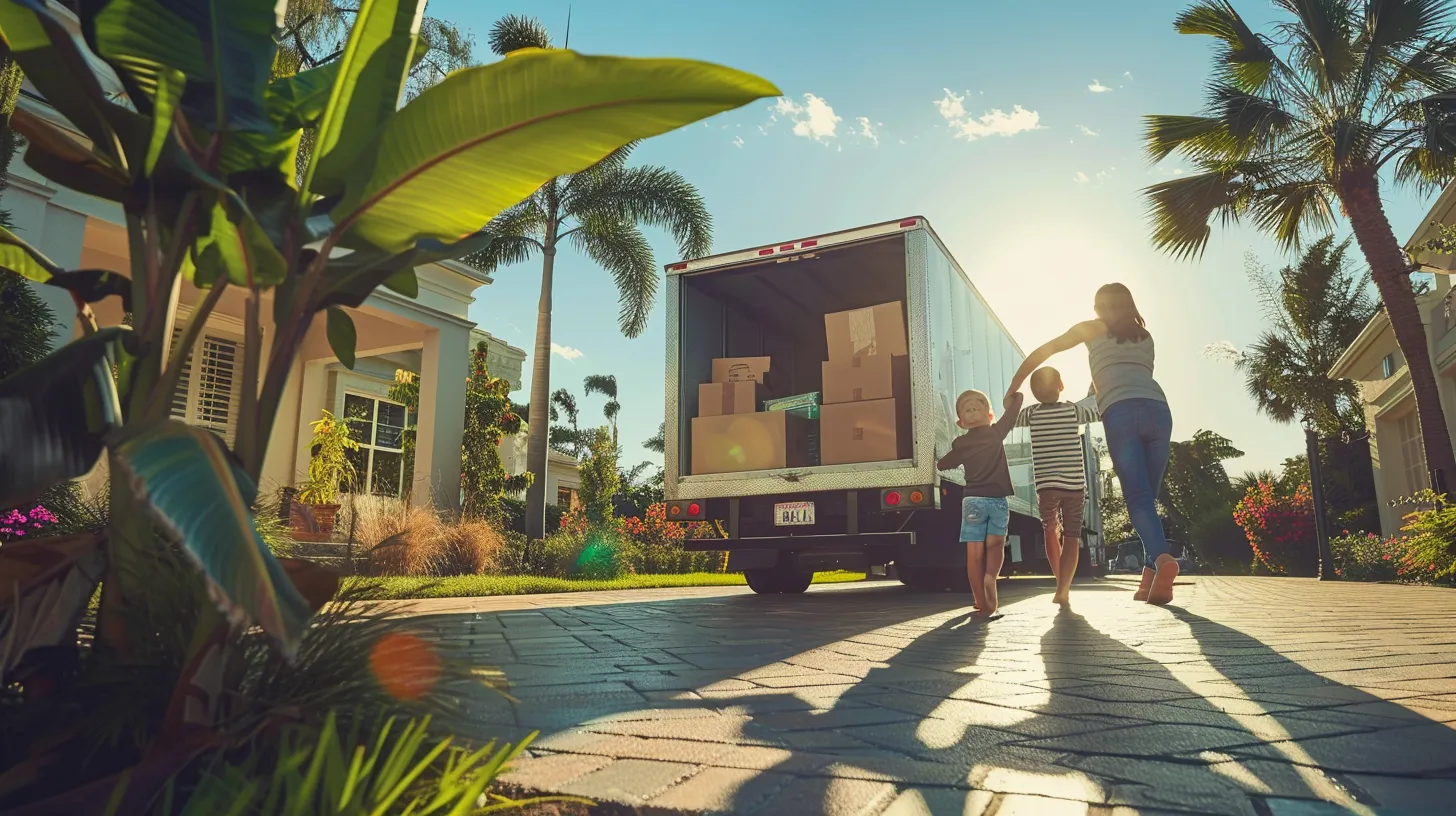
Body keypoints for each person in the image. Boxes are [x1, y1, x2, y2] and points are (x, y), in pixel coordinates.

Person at [1004, 283, 1177, 605]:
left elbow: (1045, 351)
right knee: (1147, 500)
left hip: (1121, 413)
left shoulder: (1091, 328)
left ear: (1099, 307)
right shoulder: (1145, 336)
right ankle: (1150, 578)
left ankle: (1164, 561)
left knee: (1138, 499)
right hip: (1159, 411)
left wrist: (1015, 385)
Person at [937, 388, 1025, 618]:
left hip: (973, 501)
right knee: (995, 546)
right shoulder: (997, 432)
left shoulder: (960, 443)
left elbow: (943, 465)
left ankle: (980, 600)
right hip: (998, 501)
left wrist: (942, 458)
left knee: (973, 552)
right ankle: (990, 579)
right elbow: (1014, 410)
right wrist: (1014, 397)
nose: (972, 405)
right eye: (967, 406)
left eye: (977, 403)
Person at [1016, 366, 1099, 606]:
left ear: (1034, 393)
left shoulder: (1030, 414)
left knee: (1050, 530)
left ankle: (1059, 582)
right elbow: (1099, 412)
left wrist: (1014, 394)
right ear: (1061, 386)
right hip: (1074, 485)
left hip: (1047, 486)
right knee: (1072, 537)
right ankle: (1064, 587)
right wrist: (1098, 386)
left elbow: (1009, 413)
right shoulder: (1073, 410)